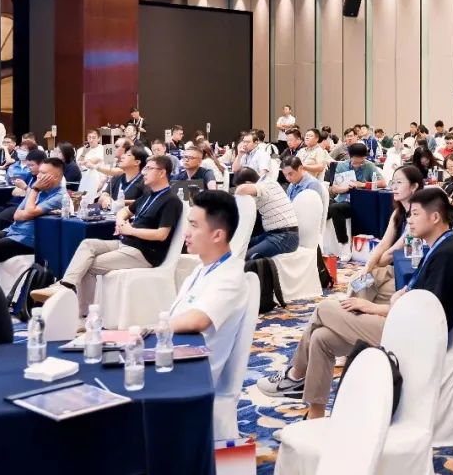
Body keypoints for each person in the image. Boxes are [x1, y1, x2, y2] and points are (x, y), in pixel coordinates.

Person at [258, 186, 453, 419]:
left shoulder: (446, 255)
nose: (409, 220)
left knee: (324, 309)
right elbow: (419, 298)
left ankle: (295, 376)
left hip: (412, 335)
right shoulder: (438, 249)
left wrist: (375, 308)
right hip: (405, 325)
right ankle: (315, 415)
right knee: (321, 338)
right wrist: (396, 299)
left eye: (416, 214)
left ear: (435, 217)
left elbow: (428, 314)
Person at [32, 156, 184, 317]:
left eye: (149, 169)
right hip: (127, 244)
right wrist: (120, 222)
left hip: (145, 253)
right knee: (88, 244)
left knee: (87, 265)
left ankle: (84, 314)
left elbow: (161, 235)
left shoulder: (171, 201)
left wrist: (131, 230)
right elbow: (124, 211)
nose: (144, 172)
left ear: (162, 172)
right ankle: (66, 286)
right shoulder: (148, 195)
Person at [169, 190, 249, 383]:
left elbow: (197, 320)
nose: (186, 232)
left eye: (194, 225)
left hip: (192, 374)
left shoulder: (231, 276)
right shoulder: (202, 268)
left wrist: (152, 329)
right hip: (175, 356)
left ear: (217, 235)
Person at [0, 158, 65, 264]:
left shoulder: (60, 196)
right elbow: (17, 215)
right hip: (12, 231)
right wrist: (34, 193)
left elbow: (29, 212)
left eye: (43, 173)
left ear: (56, 177)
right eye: (39, 172)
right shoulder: (36, 189)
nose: (38, 176)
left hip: (27, 240)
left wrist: (35, 190)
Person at [232, 169, 301, 261]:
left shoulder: (265, 186)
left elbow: (242, 189)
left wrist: (236, 195)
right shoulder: (269, 182)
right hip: (273, 234)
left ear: (248, 183)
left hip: (285, 237)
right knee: (243, 246)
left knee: (245, 257)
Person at [328, 145, 387, 245]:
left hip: (359, 201)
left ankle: (343, 242)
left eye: (362, 160)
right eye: (356, 161)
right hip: (342, 198)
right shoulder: (342, 166)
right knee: (325, 207)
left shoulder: (369, 166)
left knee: (335, 208)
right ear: (350, 156)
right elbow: (334, 188)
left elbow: (383, 183)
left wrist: (363, 184)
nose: (359, 164)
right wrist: (346, 189)